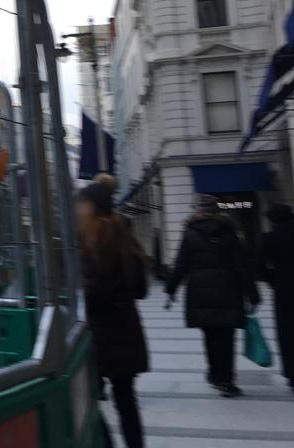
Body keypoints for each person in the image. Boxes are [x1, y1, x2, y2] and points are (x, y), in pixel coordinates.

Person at [76, 180, 148, 448]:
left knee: (87, 399)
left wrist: (75, 294)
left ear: (94, 207)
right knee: (126, 401)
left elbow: (95, 289)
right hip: (126, 330)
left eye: (83, 204)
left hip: (102, 333)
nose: (79, 210)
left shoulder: (96, 239)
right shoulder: (124, 236)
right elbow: (141, 289)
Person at [166, 194, 260, 397]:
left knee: (209, 335)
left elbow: (181, 264)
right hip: (228, 290)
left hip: (201, 292)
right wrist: (253, 295)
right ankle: (227, 380)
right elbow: (242, 266)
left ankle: (215, 375)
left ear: (200, 209)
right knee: (226, 338)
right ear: (217, 209)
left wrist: (170, 289)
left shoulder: (190, 233)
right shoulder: (229, 231)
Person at [260, 203, 294, 393]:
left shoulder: (270, 238)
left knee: (287, 333)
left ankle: (292, 373)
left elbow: (259, 266)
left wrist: (274, 280)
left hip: (284, 291)